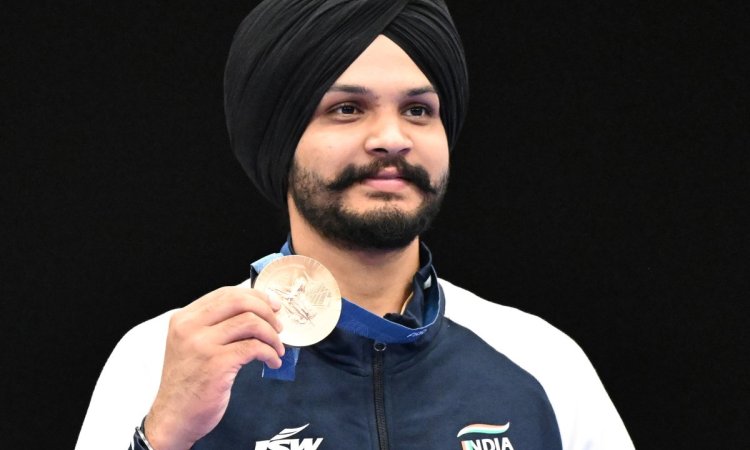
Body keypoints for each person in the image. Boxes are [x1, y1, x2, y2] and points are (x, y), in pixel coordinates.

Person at [76, 1, 634, 449]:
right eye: (347, 109)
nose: (391, 137)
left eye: (418, 110)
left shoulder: (541, 361)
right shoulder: (163, 358)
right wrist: (161, 439)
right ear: (279, 141)